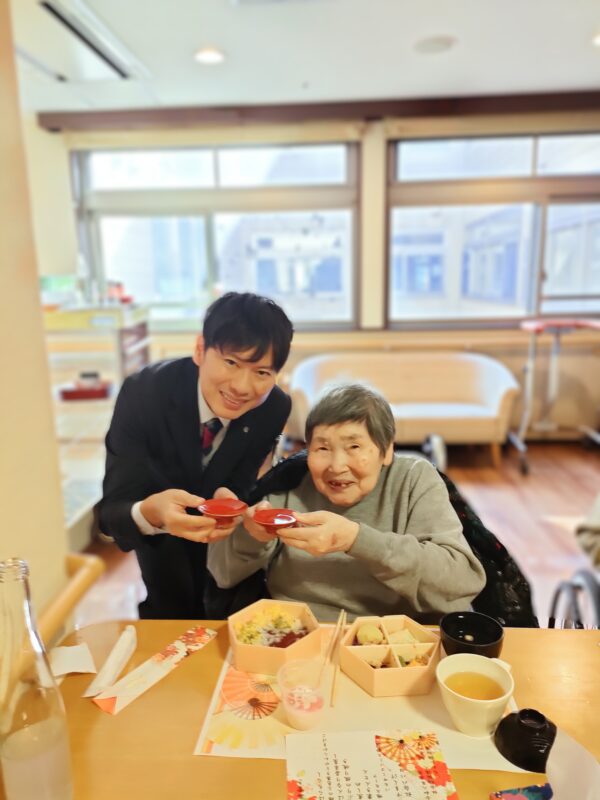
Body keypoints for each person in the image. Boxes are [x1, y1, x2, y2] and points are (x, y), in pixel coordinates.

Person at [208, 384, 486, 622]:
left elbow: (460, 582)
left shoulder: (413, 479)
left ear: (387, 450)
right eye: (322, 448)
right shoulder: (288, 482)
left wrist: (355, 539)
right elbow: (222, 575)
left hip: (389, 642)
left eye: (354, 446)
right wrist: (252, 536)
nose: (337, 466)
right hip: (292, 635)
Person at [98, 292, 294, 619]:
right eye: (231, 363)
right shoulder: (145, 394)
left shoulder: (273, 406)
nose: (242, 387)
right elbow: (111, 513)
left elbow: (242, 477)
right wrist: (151, 513)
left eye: (262, 372)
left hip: (228, 564)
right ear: (200, 349)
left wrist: (231, 495)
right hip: (161, 550)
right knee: (169, 616)